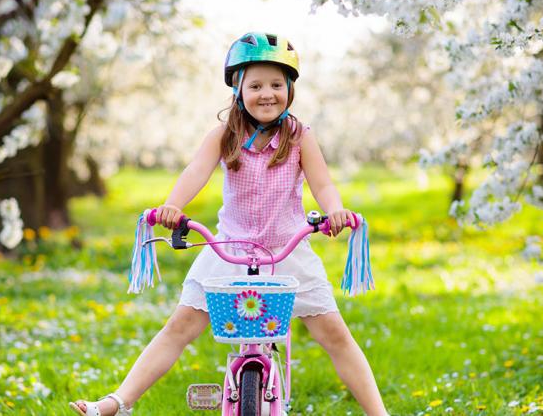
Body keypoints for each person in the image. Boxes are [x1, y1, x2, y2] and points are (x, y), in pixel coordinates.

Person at [69, 32, 387, 416]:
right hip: (230, 253)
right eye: (255, 85)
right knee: (180, 327)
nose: (266, 93)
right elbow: (195, 171)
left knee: (335, 335)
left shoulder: (300, 137)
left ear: (289, 89)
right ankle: (118, 402)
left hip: (286, 254)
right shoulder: (224, 135)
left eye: (276, 84)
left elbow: (323, 183)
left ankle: (378, 413)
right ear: (238, 90)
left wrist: (335, 210)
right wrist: (172, 205)